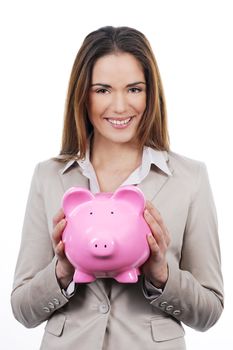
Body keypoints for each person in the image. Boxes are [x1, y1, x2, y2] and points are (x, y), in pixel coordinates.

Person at [11, 26, 224, 350]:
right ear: (83, 94)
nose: (121, 106)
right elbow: (23, 310)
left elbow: (209, 312)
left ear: (151, 93)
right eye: (103, 90)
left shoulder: (189, 177)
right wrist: (63, 269)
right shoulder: (49, 176)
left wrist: (162, 274)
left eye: (134, 89)